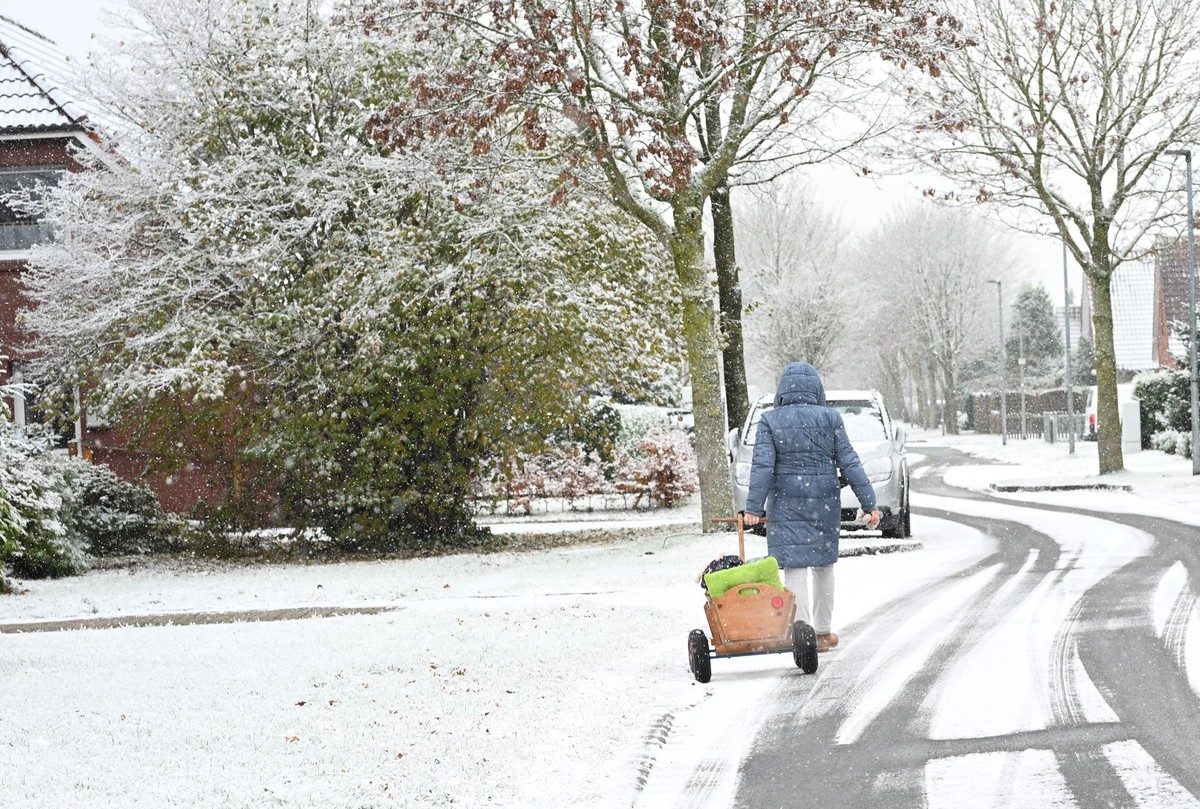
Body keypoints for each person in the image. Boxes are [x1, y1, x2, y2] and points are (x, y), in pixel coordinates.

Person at [742, 362, 881, 652]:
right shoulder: (830, 419)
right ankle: (821, 634)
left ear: (782, 391)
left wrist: (753, 507)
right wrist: (870, 504)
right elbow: (850, 462)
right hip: (823, 503)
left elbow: (763, 467)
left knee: (794, 568)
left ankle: (801, 635)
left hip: (785, 504)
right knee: (823, 567)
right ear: (816, 390)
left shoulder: (770, 421)